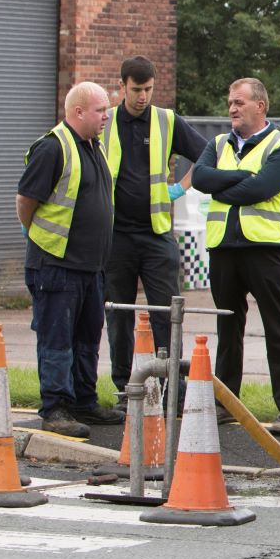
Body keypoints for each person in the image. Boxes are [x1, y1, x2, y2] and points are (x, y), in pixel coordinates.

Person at [189, 77, 280, 435]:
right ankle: (226, 403)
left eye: (239, 102)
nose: (232, 109)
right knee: (228, 325)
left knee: (278, 325)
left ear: (260, 106)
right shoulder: (218, 143)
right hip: (223, 247)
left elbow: (264, 187)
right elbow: (201, 179)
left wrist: (227, 185)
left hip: (263, 249)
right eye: (230, 103)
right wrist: (240, 177)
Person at [15, 81, 122, 439]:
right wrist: (39, 238)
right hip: (56, 265)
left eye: (106, 109)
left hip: (91, 267)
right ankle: (56, 408)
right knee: (56, 339)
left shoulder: (95, 146)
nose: (106, 116)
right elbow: (25, 202)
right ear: (78, 111)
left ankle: (83, 402)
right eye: (100, 110)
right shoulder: (53, 148)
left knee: (87, 339)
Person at [101, 56, 209, 393]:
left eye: (148, 89)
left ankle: (171, 389)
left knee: (166, 313)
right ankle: (124, 388)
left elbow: (207, 154)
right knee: (118, 315)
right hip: (115, 235)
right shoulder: (104, 122)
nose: (142, 96)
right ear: (122, 87)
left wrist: (182, 186)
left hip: (156, 235)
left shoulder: (166, 121)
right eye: (136, 90)